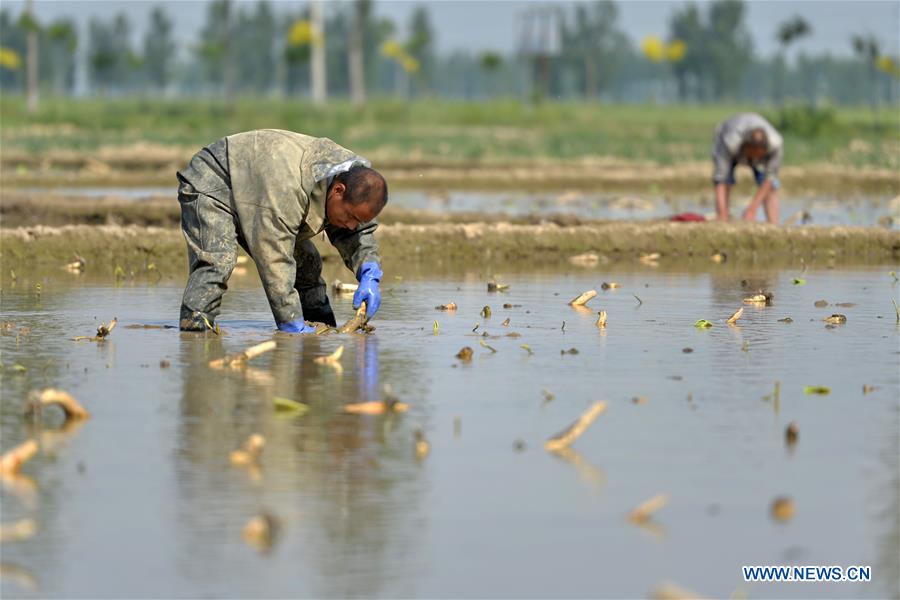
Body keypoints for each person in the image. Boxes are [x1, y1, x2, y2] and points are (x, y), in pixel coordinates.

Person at [176, 129, 386, 333]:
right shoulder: (288, 188)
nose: (351, 225)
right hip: (216, 179)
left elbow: (358, 232)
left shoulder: (353, 175)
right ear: (338, 191)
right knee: (218, 260)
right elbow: (274, 258)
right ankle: (195, 327)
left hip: (259, 186)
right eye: (351, 217)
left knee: (307, 263)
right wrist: (290, 322)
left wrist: (370, 273)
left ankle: (322, 325)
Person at [711, 112, 783, 224]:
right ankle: (722, 217)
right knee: (726, 180)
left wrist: (752, 209)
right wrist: (722, 214)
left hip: (759, 146)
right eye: (753, 154)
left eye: (759, 155)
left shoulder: (775, 144)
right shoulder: (731, 142)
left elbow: (770, 178)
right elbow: (720, 179)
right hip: (727, 136)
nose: (755, 158)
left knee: (771, 186)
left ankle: (773, 223)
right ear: (746, 147)